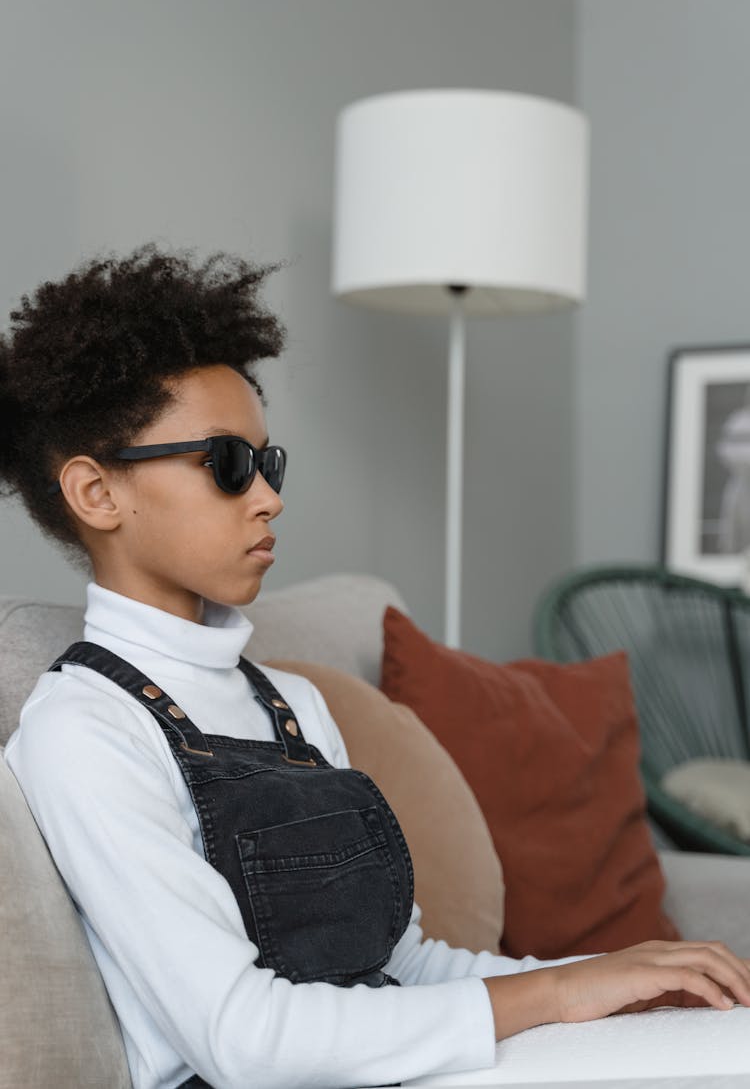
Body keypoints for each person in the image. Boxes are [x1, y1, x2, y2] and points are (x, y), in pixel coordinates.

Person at [2, 244, 749, 1089]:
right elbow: (245, 1040)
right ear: (97, 494)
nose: (269, 496)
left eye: (268, 461)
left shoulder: (291, 704)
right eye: (226, 464)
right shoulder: (83, 732)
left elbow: (408, 969)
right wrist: (556, 991)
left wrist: (610, 980)